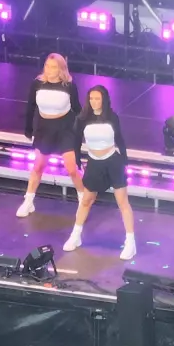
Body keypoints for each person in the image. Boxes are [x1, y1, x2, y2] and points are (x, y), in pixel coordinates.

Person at [64, 85, 136, 259]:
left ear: (103, 100)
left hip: (113, 161)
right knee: (86, 200)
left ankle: (131, 242)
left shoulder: (112, 117)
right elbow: (76, 139)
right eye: (91, 99)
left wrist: (125, 159)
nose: (94, 102)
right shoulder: (82, 118)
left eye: (97, 99)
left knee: (122, 202)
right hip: (94, 163)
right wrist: (77, 158)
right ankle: (76, 235)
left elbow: (119, 138)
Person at [17, 54, 85, 218]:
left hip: (65, 128)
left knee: (72, 168)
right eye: (47, 66)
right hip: (44, 128)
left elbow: (77, 109)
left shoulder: (69, 85)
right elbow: (31, 107)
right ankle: (28, 201)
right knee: (38, 166)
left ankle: (84, 199)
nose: (49, 70)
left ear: (61, 69)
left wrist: (80, 134)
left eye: (54, 67)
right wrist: (28, 128)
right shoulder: (37, 83)